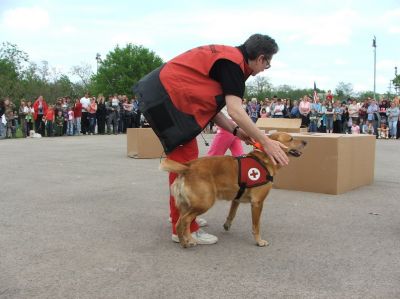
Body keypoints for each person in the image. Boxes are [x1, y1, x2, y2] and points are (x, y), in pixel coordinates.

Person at [134, 34, 288, 245]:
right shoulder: (234, 65)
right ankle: (186, 227)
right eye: (267, 64)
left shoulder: (229, 60)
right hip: (165, 97)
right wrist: (265, 141)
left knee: (184, 158)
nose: (264, 69)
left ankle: (180, 215)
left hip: (163, 94)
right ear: (261, 58)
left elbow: (214, 109)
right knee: (185, 159)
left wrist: (236, 132)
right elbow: (235, 110)